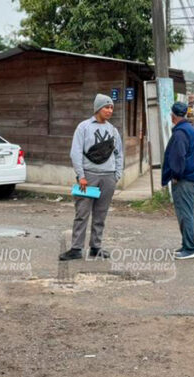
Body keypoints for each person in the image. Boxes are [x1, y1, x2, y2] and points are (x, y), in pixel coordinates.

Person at [59, 94, 124, 261]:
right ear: (97, 108)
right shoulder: (84, 127)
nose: (109, 111)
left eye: (111, 108)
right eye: (106, 107)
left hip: (108, 178)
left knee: (101, 214)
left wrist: (116, 175)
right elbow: (75, 152)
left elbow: (119, 154)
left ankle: (96, 246)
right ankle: (76, 248)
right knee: (82, 213)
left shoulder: (113, 130)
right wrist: (81, 175)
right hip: (88, 178)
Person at [162, 102, 194, 260]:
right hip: (193, 178)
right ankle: (186, 244)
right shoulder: (190, 130)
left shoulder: (180, 133)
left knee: (185, 214)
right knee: (187, 213)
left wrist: (176, 175)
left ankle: (190, 248)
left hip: (185, 180)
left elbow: (178, 157)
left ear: (173, 115)